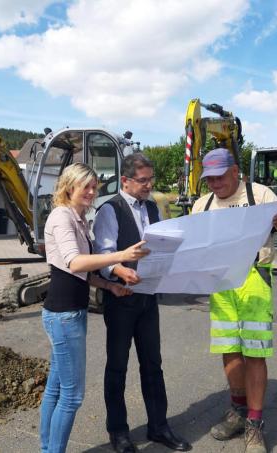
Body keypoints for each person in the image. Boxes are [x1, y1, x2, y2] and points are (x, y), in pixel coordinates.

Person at [191, 149, 277, 453]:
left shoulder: (260, 195)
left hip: (253, 279)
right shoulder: (203, 205)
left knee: (255, 352)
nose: (214, 183)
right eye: (209, 178)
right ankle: (238, 411)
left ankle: (254, 423)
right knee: (229, 350)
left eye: (219, 176)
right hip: (220, 282)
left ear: (236, 170)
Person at [40, 163, 150, 453]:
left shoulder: (77, 218)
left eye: (94, 186)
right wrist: (121, 256)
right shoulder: (62, 216)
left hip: (70, 312)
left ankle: (47, 449)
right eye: (85, 186)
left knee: (55, 388)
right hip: (63, 315)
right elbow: (74, 262)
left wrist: (108, 286)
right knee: (73, 396)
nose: (91, 192)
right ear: (68, 187)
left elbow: (78, 273)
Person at [93, 154, 192, 453]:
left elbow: (159, 245)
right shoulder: (110, 210)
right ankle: (119, 432)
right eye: (143, 180)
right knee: (117, 367)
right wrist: (119, 271)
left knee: (153, 364)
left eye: (151, 179)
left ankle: (159, 426)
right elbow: (103, 254)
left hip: (149, 298)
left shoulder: (151, 207)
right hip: (121, 299)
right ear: (125, 181)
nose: (150, 185)